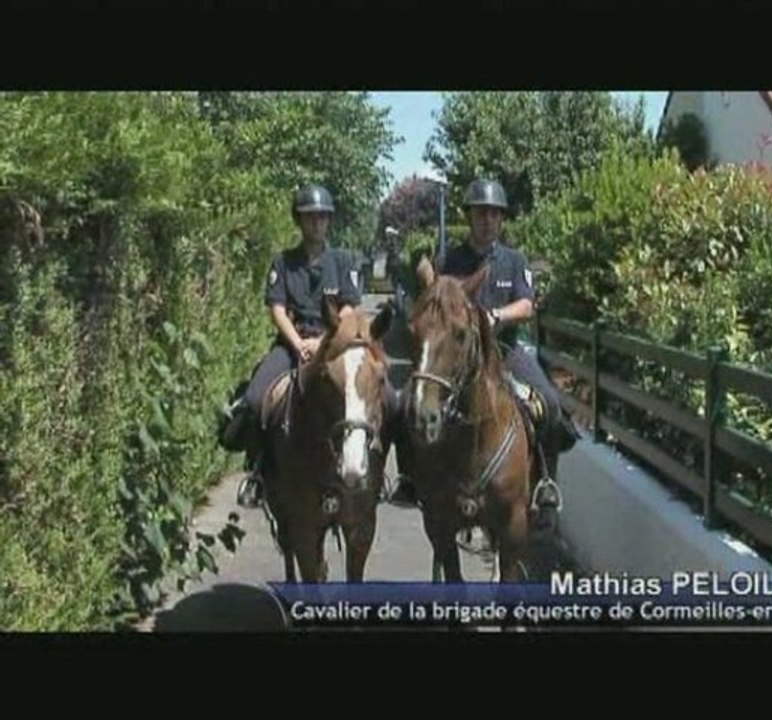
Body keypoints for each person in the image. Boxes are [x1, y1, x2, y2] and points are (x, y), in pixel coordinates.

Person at [388, 178, 578, 509]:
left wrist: (495, 317)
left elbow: (527, 305)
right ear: (470, 217)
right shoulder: (450, 260)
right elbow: (432, 304)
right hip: (456, 355)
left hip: (504, 351)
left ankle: (546, 483)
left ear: (501, 219)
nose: (487, 220)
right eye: (480, 213)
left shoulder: (514, 260)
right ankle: (409, 479)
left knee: (548, 402)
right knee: (407, 405)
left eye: (493, 214)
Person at [229, 184, 362, 508]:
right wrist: (299, 342)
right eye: (309, 217)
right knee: (256, 397)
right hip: (293, 344)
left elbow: (350, 308)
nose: (316, 223)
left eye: (321, 217)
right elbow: (277, 308)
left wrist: (323, 342)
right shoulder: (283, 262)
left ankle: (380, 473)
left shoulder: (344, 261)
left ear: (329, 221)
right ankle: (258, 471)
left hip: (333, 346)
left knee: (382, 399)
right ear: (299, 222)